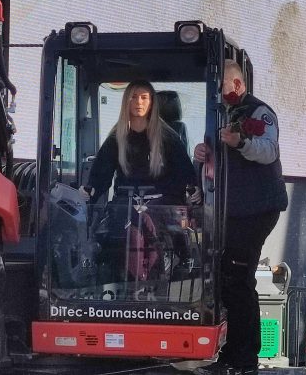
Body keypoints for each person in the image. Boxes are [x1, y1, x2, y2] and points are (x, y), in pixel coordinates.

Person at [194, 60, 288, 375]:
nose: (216, 90)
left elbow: (268, 151)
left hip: (256, 209)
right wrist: (202, 155)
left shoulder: (259, 112)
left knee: (238, 280)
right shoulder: (220, 114)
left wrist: (241, 142)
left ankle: (243, 360)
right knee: (228, 280)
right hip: (233, 210)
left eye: (220, 83)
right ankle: (233, 356)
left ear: (237, 84)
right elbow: (217, 161)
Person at [80, 80, 199, 205]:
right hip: (126, 205)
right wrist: (90, 189)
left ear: (152, 103)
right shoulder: (116, 138)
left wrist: (193, 190)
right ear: (126, 102)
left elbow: (185, 173)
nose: (139, 102)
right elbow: (101, 173)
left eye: (144, 97)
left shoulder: (168, 137)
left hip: (162, 206)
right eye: (134, 97)